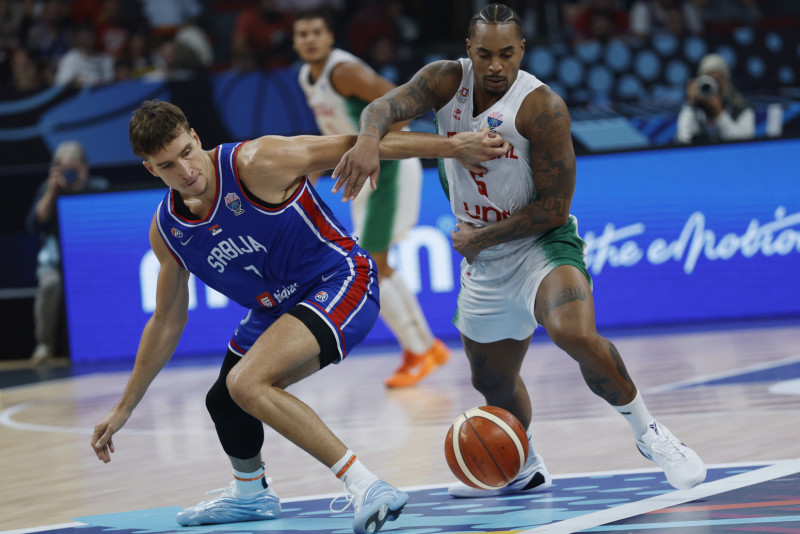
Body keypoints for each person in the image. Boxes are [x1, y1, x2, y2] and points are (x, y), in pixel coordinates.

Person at [332, 3, 707, 498]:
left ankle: (650, 433)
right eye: (485, 54)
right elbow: (382, 107)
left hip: (541, 243)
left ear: (522, 50)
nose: (495, 65)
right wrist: (367, 140)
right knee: (493, 381)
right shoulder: (445, 80)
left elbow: (553, 208)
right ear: (468, 49)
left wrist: (478, 238)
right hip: (484, 260)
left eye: (506, 54)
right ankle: (524, 464)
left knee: (574, 333)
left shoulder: (541, 106)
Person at [90, 99, 509, 533]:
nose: (185, 170)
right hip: (274, 308)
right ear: (151, 170)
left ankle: (367, 485)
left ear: (196, 138)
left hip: (340, 279)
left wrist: (454, 147)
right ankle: (251, 496)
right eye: (167, 165)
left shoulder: (259, 161)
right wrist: (124, 408)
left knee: (245, 382)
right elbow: (166, 320)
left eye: (186, 152)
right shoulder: (169, 230)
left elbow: (360, 143)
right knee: (225, 402)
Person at [293, 8, 451, 388]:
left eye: (316, 32)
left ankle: (420, 351)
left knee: (370, 266)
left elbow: (400, 107)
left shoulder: (344, 72)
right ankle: (426, 348)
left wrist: (375, 149)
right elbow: (335, 130)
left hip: (387, 169)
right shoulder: (306, 77)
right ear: (295, 42)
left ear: (330, 37)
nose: (310, 39)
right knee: (377, 265)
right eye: (302, 34)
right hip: (362, 173)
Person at [27, 141, 109, 365]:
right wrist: (53, 190)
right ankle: (45, 345)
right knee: (49, 284)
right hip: (56, 261)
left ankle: (101, 341)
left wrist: (81, 188)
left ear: (84, 166)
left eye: (75, 169)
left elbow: (105, 220)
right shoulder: (48, 189)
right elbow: (35, 223)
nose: (71, 175)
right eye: (66, 170)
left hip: (90, 261)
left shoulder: (99, 186)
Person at [676, 52, 755, 145]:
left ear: (726, 81)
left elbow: (744, 145)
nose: (714, 86)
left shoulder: (742, 108)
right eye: (709, 80)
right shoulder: (696, 111)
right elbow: (683, 139)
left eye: (717, 80)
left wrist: (719, 114)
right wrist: (691, 104)